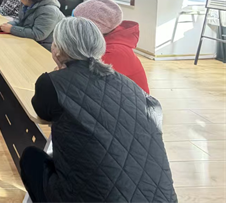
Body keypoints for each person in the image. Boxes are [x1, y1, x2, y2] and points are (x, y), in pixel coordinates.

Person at [20, 17, 176, 203]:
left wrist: (59, 73)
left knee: (31, 158)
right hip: (162, 198)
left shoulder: (51, 82)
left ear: (58, 49)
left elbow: (42, 111)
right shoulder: (129, 84)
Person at [73, 0, 150, 93]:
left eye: (76, 24)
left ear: (94, 28)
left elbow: (83, 84)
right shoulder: (106, 43)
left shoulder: (113, 52)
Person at [0, 0, 64, 50]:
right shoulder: (27, 5)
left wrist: (11, 29)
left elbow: (38, 34)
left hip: (49, 48)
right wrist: (7, 25)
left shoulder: (49, 11)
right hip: (33, 42)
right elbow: (22, 21)